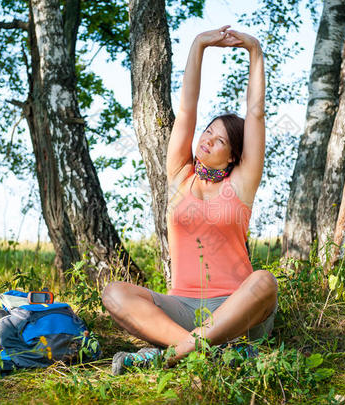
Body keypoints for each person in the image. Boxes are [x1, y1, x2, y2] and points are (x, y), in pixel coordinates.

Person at [102, 25, 278, 375]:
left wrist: (255, 51)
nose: (208, 140)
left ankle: (171, 355)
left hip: (235, 305)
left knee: (265, 281)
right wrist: (199, 45)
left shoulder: (241, 184)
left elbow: (255, 114)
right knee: (113, 293)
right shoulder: (180, 176)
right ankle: (203, 351)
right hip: (181, 307)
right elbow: (186, 110)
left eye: (220, 141)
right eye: (208, 132)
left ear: (233, 157)